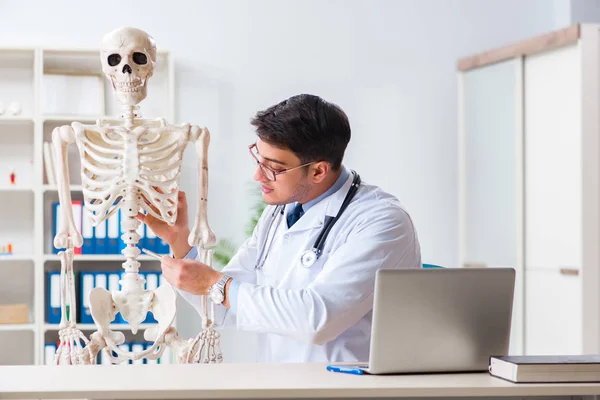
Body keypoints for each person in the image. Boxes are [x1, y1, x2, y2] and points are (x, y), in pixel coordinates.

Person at [140, 94, 422, 363]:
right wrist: (181, 245)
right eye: (258, 159)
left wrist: (216, 284)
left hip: (349, 389)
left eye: (273, 167)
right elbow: (223, 307)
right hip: (282, 383)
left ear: (318, 171)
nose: (257, 175)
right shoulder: (280, 211)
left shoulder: (380, 221)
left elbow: (318, 320)